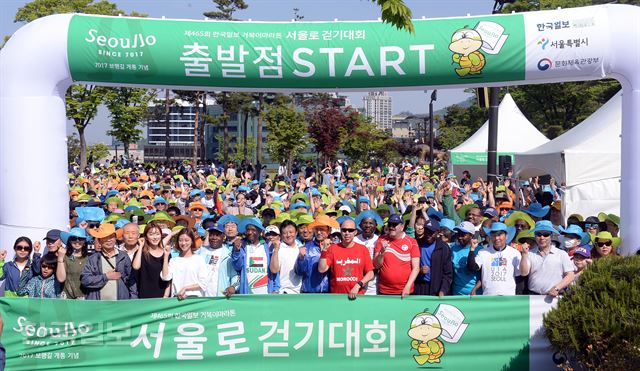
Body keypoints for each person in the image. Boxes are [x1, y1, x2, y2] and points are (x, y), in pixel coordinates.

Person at [318, 219, 375, 299]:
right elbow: (322, 269)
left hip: (357, 296)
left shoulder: (362, 249)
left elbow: (370, 273)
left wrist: (358, 285)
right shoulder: (333, 248)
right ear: (340, 231)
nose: (347, 233)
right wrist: (324, 251)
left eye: (350, 230)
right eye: (344, 230)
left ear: (355, 232)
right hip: (337, 297)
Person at [81, 223, 137, 300]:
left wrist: (133, 298)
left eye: (111, 237)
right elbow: (85, 280)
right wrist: (106, 277)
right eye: (105, 237)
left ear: (115, 238)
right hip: (99, 304)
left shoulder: (123, 256)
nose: (109, 240)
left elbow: (131, 280)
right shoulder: (93, 259)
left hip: (120, 304)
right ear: (100, 240)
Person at [520, 221, 575, 296]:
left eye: (546, 234)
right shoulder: (529, 253)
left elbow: (570, 275)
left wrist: (557, 288)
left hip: (554, 296)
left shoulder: (561, 254)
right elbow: (524, 273)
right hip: (533, 296)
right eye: (538, 234)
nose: (542, 238)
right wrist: (524, 254)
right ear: (535, 236)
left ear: (551, 236)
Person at [467, 222, 521, 296]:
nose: (496, 238)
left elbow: (519, 277)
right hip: (488, 297)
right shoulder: (483, 252)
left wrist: (519, 296)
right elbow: (472, 267)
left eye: (499, 235)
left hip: (509, 297)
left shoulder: (515, 253)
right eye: (493, 235)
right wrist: (472, 249)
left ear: (506, 236)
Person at [374, 214, 420, 298]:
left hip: (404, 291)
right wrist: (382, 252)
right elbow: (377, 265)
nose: (391, 227)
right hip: (385, 291)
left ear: (402, 226)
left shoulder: (411, 242)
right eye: (390, 224)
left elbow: (416, 268)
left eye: (394, 224)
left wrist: (408, 286)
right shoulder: (381, 240)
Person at [231, 222, 279, 295]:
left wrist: (275, 288)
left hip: (266, 293)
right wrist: (237, 251)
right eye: (248, 230)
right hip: (247, 293)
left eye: (253, 229)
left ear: (260, 231)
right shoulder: (242, 246)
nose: (250, 232)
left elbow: (274, 270)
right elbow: (237, 267)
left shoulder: (268, 247)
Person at [161, 228, 209, 298]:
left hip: (193, 299)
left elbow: (203, 283)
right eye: (180, 240)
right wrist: (166, 256)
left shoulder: (199, 259)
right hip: (177, 298)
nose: (183, 243)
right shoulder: (174, 260)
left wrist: (185, 288)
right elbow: (165, 277)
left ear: (192, 241)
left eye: (187, 240)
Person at [295, 215, 337, 293]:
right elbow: (298, 272)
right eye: (316, 229)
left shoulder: (335, 248)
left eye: (322, 229)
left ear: (329, 230)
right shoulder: (307, 248)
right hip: (309, 293)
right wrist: (301, 259)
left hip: (329, 294)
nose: (318, 232)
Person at [413, 217, 452, 297]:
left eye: (432, 232)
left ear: (438, 233)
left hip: (437, 290)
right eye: (427, 231)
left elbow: (448, 273)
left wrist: (443, 290)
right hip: (419, 288)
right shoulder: (416, 244)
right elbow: (409, 266)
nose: (428, 235)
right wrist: (419, 270)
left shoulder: (444, 248)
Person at [198, 223, 240, 297]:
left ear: (223, 236)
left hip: (220, 298)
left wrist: (233, 287)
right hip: (201, 297)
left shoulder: (228, 255)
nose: (214, 237)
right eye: (211, 234)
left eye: (217, 235)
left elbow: (235, 276)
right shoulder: (200, 253)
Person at [132, 222, 171, 298]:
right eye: (151, 234)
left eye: (157, 234)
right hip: (145, 296)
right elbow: (136, 267)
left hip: (163, 296)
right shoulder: (142, 253)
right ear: (146, 236)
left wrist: (166, 295)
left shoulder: (166, 252)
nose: (155, 237)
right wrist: (140, 247)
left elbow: (169, 278)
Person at [269, 220, 303, 294]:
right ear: (281, 235)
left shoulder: (301, 248)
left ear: (296, 233)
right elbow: (274, 270)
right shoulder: (278, 248)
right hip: (283, 291)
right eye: (284, 233)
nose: (288, 235)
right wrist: (276, 250)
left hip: (299, 291)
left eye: (291, 232)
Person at [354, 210, 382, 295]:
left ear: (376, 225)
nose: (368, 225)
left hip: (374, 282)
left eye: (371, 223)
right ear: (360, 225)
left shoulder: (379, 240)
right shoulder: (354, 240)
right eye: (365, 223)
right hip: (357, 279)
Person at [57, 227, 90, 299]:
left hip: (84, 298)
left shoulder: (89, 259)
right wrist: (60, 258)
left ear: (84, 242)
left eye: (80, 239)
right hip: (67, 298)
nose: (77, 241)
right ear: (69, 241)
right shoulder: (64, 257)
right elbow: (61, 279)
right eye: (74, 238)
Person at [450, 221, 482, 296]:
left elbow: (484, 275)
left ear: (471, 235)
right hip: (456, 295)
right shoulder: (453, 249)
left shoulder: (479, 251)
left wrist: (475, 289)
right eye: (458, 233)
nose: (460, 237)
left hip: (474, 295)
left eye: (463, 234)